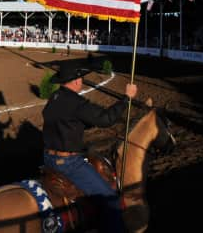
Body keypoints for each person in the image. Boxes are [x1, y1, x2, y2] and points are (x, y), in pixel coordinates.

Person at [42, 64, 137, 233]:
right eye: (81, 78)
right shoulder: (76, 102)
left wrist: (82, 123)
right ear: (76, 81)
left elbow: (63, 121)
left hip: (48, 158)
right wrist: (126, 98)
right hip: (69, 163)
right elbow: (106, 118)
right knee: (111, 199)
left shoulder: (54, 97)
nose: (82, 81)